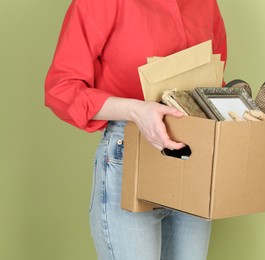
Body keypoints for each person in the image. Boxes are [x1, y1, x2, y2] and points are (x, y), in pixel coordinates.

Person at [44, 0, 227, 259]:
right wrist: (136, 110)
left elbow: (213, 80)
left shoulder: (205, 4)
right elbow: (61, 88)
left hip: (193, 158)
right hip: (128, 156)